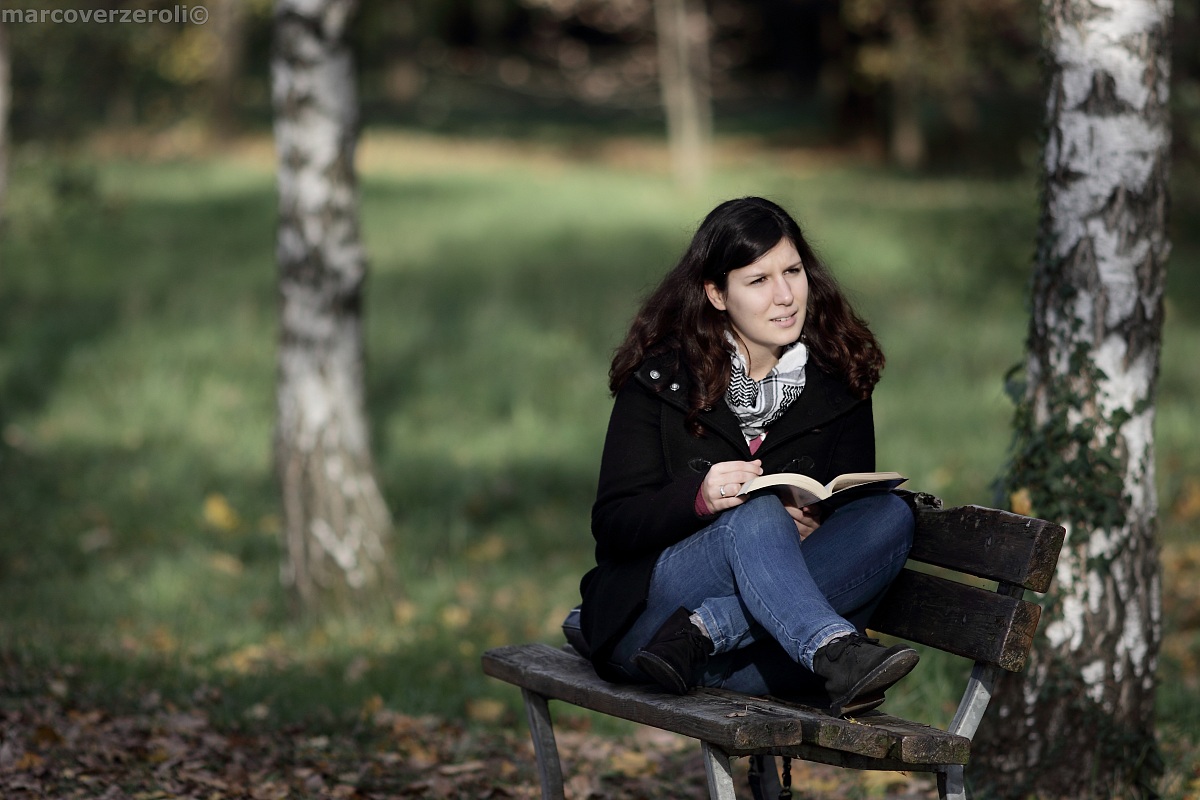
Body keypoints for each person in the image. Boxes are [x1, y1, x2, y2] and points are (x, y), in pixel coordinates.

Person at [577, 196, 918, 716]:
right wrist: (699, 501)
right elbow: (614, 525)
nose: (785, 296)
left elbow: (846, 526)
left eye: (793, 271)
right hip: (647, 625)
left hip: (730, 652)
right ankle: (832, 652)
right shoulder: (661, 378)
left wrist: (815, 519)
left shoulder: (840, 379)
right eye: (758, 280)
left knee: (891, 515)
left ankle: (707, 633)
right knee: (755, 513)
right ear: (717, 293)